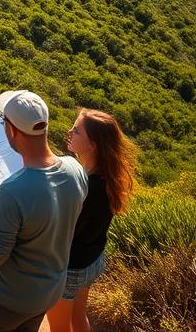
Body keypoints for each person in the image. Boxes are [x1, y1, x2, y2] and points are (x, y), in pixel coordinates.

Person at [0, 90, 88, 332]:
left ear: (11, 130)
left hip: (6, 300)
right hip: (47, 293)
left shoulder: (13, 189)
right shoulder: (76, 169)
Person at [45, 109, 137, 332]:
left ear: (93, 145)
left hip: (71, 267)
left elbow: (66, 232)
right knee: (78, 316)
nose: (69, 132)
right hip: (91, 260)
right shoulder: (105, 176)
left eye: (76, 130)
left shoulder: (88, 187)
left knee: (59, 327)